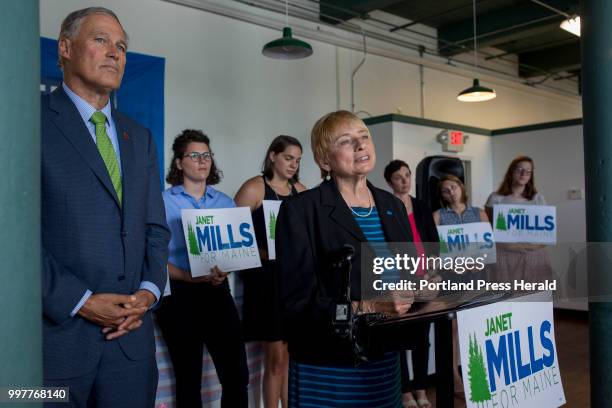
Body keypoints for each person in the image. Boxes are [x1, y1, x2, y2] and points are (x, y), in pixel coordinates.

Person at [41, 7, 170, 407]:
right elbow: (9, 235)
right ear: (65, 48)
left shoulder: (140, 137)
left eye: (122, 46)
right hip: (55, 344)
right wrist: (80, 300)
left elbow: (155, 229)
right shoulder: (26, 123)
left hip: (131, 345)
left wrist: (147, 295)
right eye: (101, 40)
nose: (115, 52)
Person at [276, 110, 416, 407]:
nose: (360, 145)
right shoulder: (300, 210)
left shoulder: (393, 205)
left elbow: (406, 273)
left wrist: (426, 284)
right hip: (328, 366)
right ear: (325, 161)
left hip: (385, 360)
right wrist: (371, 305)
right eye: (346, 140)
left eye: (364, 136)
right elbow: (296, 303)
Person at [155, 130, 249, 407]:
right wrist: (186, 276)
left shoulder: (225, 202)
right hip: (179, 296)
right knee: (188, 377)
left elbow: (234, 252)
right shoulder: (162, 202)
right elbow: (153, 256)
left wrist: (225, 271)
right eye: (194, 155)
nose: (202, 160)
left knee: (236, 374)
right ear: (178, 163)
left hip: (217, 291)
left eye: (206, 155)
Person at [235, 135, 307, 408]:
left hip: (295, 282)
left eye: (298, 160)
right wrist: (266, 254)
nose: (293, 164)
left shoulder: (301, 190)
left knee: (290, 356)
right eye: (289, 158)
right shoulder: (254, 188)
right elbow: (232, 235)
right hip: (266, 283)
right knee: (275, 357)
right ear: (273, 156)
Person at [384, 160, 437, 408]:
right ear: (389, 181)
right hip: (400, 282)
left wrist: (434, 274)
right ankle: (404, 391)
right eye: (398, 177)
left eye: (407, 175)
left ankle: (421, 389)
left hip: (425, 280)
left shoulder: (422, 206)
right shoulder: (385, 208)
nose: (405, 181)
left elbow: (433, 243)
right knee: (400, 339)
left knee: (422, 338)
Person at [432, 174, 489, 398]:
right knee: (454, 326)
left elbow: (487, 244)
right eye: (446, 190)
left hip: (476, 274)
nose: (451, 193)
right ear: (442, 195)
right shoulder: (438, 216)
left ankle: (476, 372)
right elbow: (435, 248)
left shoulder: (479, 213)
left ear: (461, 188)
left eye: (453, 187)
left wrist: (479, 260)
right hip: (452, 276)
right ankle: (454, 374)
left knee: (475, 323)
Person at [484, 156, 553, 284]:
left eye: (528, 171)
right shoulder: (495, 197)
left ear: (531, 175)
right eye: (519, 169)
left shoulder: (538, 198)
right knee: (506, 296)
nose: (523, 174)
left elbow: (547, 233)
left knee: (536, 297)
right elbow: (486, 229)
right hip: (505, 254)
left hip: (534, 254)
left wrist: (531, 246)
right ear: (511, 171)